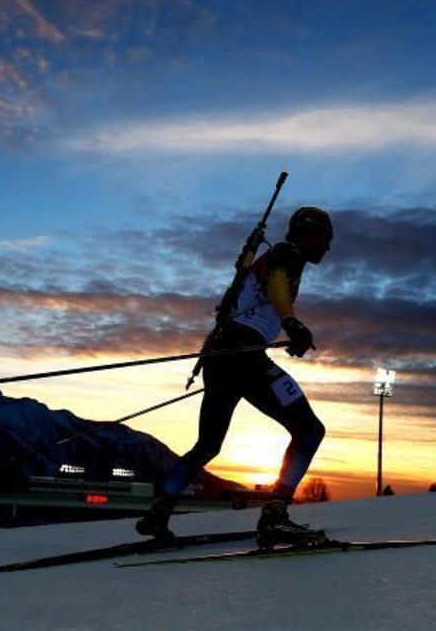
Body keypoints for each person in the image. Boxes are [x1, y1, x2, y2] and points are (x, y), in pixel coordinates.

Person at [136, 206, 333, 548]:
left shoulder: (267, 258)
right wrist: (291, 323)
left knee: (209, 443)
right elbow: (277, 283)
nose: (327, 248)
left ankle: (159, 510)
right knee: (309, 430)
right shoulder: (288, 253)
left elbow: (263, 291)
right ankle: (275, 516)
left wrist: (281, 326)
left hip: (220, 356)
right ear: (309, 233)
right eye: (325, 239)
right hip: (244, 355)